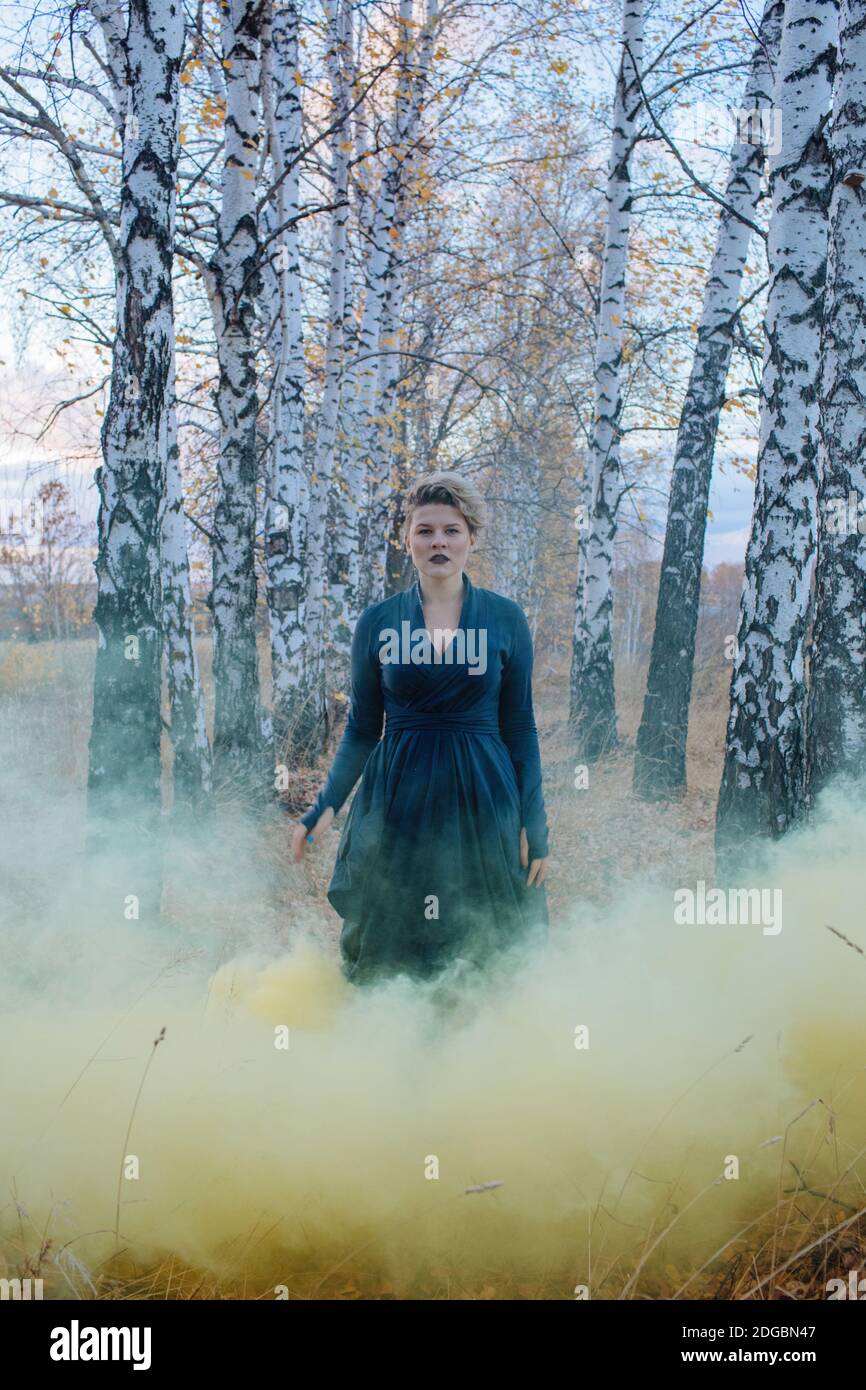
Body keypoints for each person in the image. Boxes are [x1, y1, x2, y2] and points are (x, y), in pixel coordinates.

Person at [292, 470, 550, 985]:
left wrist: (534, 825)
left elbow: (520, 728)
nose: (438, 541)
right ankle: (393, 1046)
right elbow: (363, 728)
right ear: (406, 539)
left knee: (488, 941)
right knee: (394, 935)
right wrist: (327, 804)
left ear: (471, 538)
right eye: (425, 530)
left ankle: (486, 1053)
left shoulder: (505, 619)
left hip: (484, 793)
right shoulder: (378, 622)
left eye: (451, 530)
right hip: (398, 799)